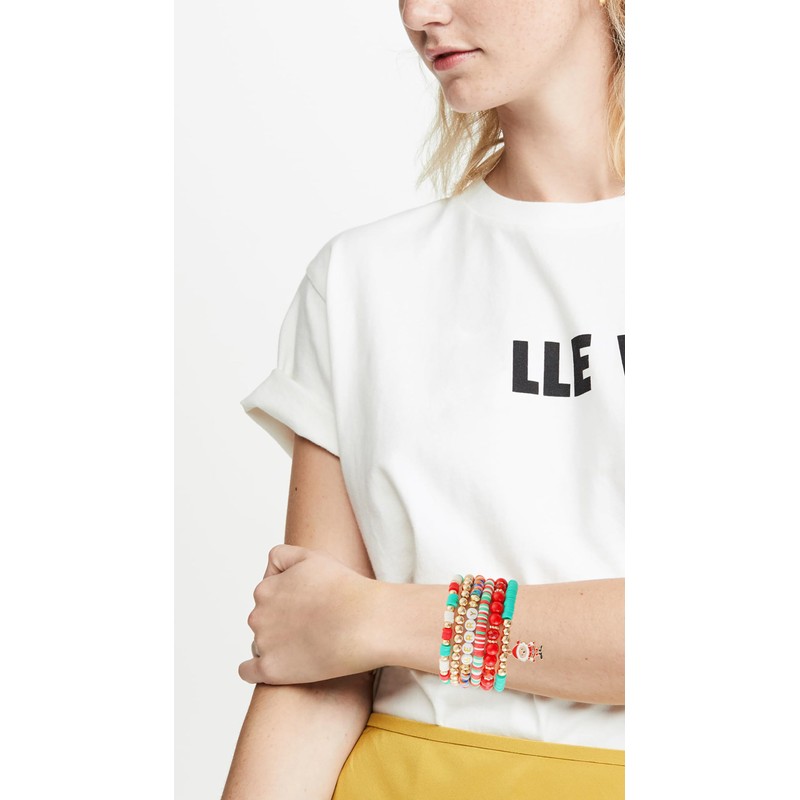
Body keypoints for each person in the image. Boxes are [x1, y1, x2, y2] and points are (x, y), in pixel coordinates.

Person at [223, 0, 625, 796]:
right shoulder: (362, 279)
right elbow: (311, 662)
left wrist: (381, 620)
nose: (419, 12)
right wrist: (348, 626)